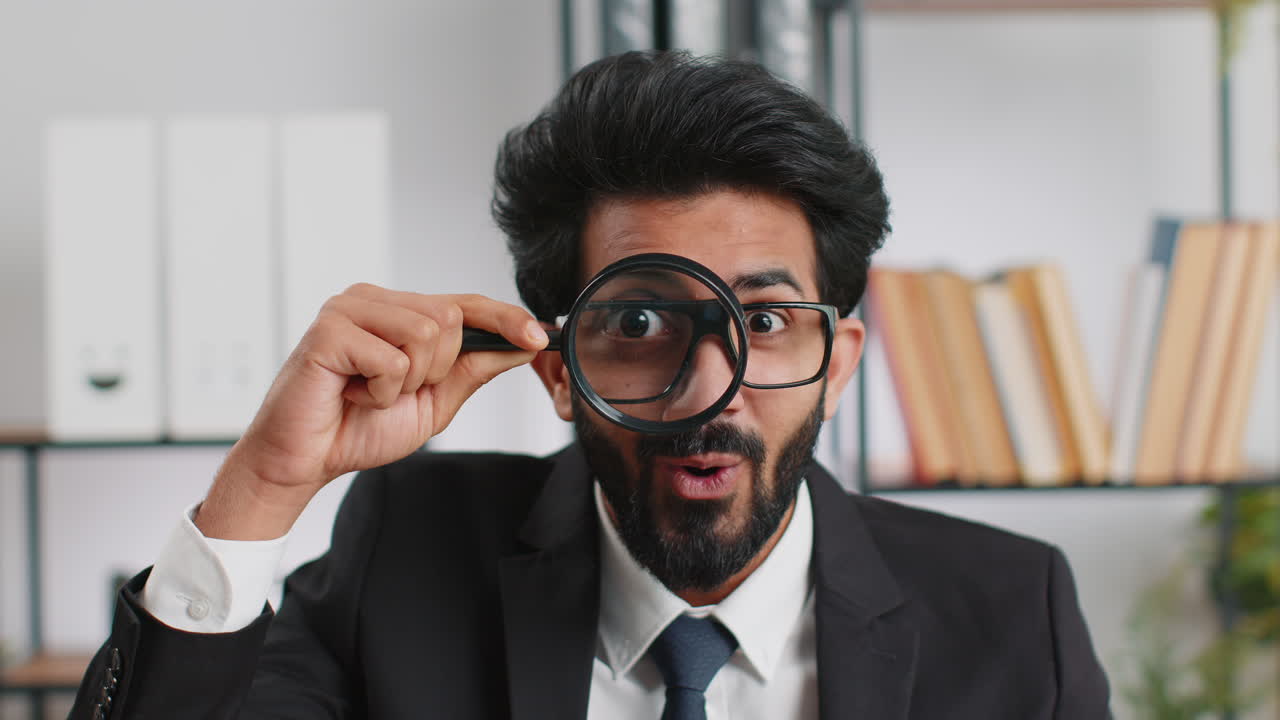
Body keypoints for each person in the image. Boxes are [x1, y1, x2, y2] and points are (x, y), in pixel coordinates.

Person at [71, 50, 1110, 719]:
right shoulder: (409, 550)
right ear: (558, 371)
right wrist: (262, 486)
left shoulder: (1011, 613)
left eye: (761, 321)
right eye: (640, 320)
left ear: (835, 363)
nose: (709, 388)